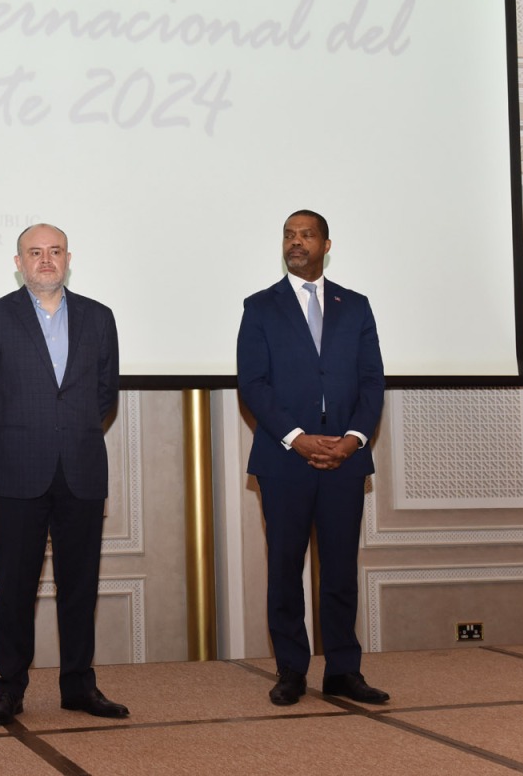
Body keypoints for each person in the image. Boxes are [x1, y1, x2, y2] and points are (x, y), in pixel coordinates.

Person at [0, 223, 127, 727]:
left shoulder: (99, 318)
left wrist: (66, 432)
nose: (46, 260)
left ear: (68, 258)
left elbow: (105, 393)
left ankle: (79, 687)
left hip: (80, 469)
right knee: (16, 587)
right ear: (19, 262)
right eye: (36, 252)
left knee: (80, 586)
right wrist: (14, 438)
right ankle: (9, 690)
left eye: (55, 251)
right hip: (16, 472)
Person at [236, 209, 388, 706]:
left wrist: (354, 438)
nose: (295, 242)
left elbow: (371, 382)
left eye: (306, 235)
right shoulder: (260, 307)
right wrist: (297, 437)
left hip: (345, 460)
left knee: (341, 572)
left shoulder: (357, 306)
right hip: (285, 461)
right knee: (284, 570)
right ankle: (291, 671)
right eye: (288, 235)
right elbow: (253, 384)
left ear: (326, 244)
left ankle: (344, 671)